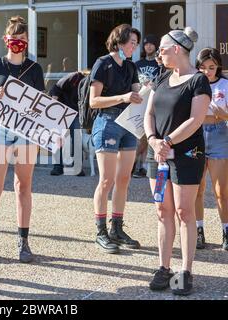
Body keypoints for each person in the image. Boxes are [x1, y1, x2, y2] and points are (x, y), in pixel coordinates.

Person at [0, 16, 45, 265]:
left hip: (25, 133)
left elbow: (40, 107)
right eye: (15, 39)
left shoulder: (34, 69)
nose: (19, 44)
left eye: (23, 40)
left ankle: (23, 242)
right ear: (6, 40)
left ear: (27, 42)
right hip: (0, 130)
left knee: (23, 186)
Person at [144, 27, 211, 295]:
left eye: (162, 48)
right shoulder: (161, 79)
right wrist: (152, 140)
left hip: (186, 154)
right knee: (163, 210)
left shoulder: (198, 81)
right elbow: (149, 113)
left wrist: (167, 141)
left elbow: (195, 120)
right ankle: (164, 268)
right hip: (157, 153)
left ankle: (186, 271)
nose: (158, 53)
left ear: (177, 49)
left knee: (185, 212)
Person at [90, 24, 142, 254]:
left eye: (136, 43)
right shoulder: (103, 63)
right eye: (132, 42)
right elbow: (94, 101)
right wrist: (123, 96)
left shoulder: (130, 66)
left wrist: (146, 92)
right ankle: (100, 230)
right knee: (106, 180)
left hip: (128, 123)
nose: (135, 47)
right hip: (108, 123)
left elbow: (138, 93)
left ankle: (117, 228)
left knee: (123, 179)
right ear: (119, 41)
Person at [195, 47, 228, 251]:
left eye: (212, 67)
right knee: (197, 189)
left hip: (219, 135)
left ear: (218, 67)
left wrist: (223, 114)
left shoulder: (225, 84)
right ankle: (199, 231)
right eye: (203, 67)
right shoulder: (194, 84)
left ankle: (226, 231)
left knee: (221, 191)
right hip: (196, 135)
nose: (208, 72)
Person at [133, 35, 161, 178]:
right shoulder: (137, 64)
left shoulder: (159, 64)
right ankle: (131, 165)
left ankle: (142, 167)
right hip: (139, 101)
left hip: (154, 100)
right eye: (146, 44)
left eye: (151, 44)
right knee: (140, 136)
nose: (149, 46)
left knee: (148, 135)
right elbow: (132, 82)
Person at [49, 71, 86, 176]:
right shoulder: (75, 76)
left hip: (77, 113)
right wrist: (54, 104)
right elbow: (56, 88)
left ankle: (77, 167)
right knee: (59, 138)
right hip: (63, 111)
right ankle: (58, 167)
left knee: (77, 140)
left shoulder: (94, 85)